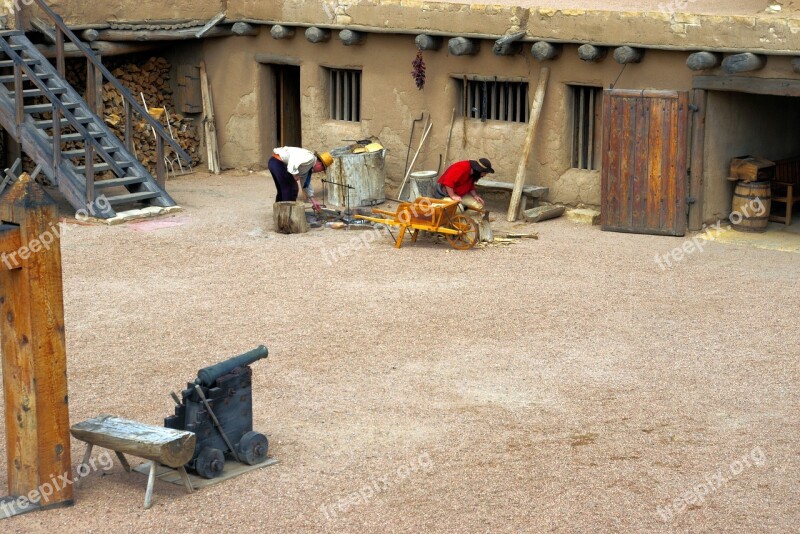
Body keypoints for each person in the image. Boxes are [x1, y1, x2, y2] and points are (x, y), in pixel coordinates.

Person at [268, 147, 333, 210]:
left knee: (283, 189)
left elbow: (305, 185)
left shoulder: (308, 167)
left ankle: (279, 212)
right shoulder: (310, 158)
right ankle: (288, 214)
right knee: (292, 188)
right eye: (322, 169)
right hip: (278, 162)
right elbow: (294, 160)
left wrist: (313, 201)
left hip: (273, 162)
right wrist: (294, 174)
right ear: (320, 164)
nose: (320, 171)